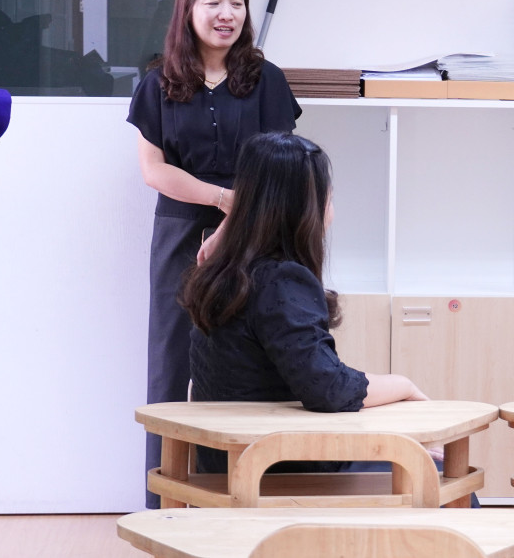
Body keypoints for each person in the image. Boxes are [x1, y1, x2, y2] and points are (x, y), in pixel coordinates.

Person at [127, 0, 302, 507]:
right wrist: (222, 200)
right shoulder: (158, 82)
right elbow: (155, 171)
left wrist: (234, 224)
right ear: (188, 8)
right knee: (169, 364)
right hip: (181, 231)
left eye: (237, 2)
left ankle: (252, 495)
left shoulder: (267, 80)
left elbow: (280, 166)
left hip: (258, 232)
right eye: (214, 2)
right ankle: (163, 504)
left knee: (255, 361)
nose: (227, 13)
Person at [179, 132, 431, 474]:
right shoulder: (281, 281)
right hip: (275, 466)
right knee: (438, 476)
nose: (331, 213)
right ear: (303, 210)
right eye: (328, 199)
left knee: (420, 460)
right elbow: (327, 388)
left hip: (227, 462)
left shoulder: (223, 274)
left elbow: (317, 376)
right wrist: (403, 385)